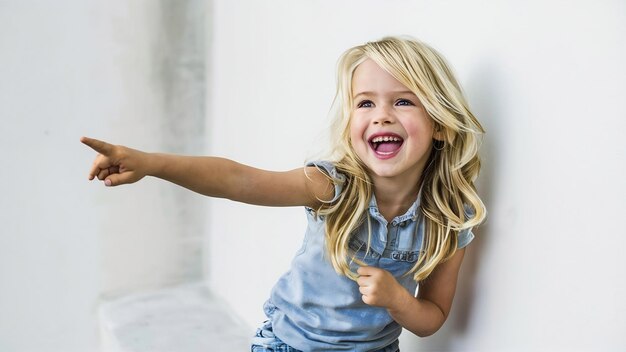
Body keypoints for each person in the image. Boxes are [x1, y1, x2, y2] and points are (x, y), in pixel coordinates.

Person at [82, 36, 486, 352]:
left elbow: (431, 317)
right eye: (365, 103)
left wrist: (397, 299)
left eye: (402, 101)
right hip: (289, 344)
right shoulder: (333, 186)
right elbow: (237, 180)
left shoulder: (450, 218)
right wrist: (152, 163)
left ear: (441, 125)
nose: (381, 114)